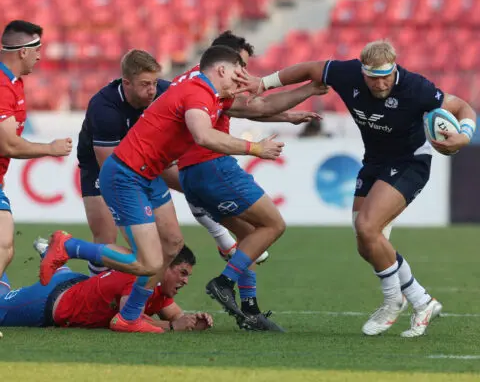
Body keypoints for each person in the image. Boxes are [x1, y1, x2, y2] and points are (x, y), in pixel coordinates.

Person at [235, 39, 477, 337]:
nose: (380, 84)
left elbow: (461, 106)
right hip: (374, 160)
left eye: (386, 77)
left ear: (395, 69)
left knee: (367, 226)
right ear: (363, 73)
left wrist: (464, 136)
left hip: (410, 161)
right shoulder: (347, 73)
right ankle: (421, 300)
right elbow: (311, 68)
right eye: (373, 78)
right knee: (366, 242)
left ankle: (393, 301)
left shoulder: (415, 87)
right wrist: (265, 82)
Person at [39, 45, 286, 333]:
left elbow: (253, 107)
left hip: (148, 172)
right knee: (147, 261)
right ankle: (69, 247)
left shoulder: (188, 88)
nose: (242, 80)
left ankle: (128, 317)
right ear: (220, 69)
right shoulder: (191, 92)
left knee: (172, 244)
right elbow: (203, 136)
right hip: (124, 174)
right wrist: (255, 148)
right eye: (237, 72)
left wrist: (292, 111)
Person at [176, 32, 327, 331]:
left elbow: (247, 107)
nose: (245, 74)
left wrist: (287, 117)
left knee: (250, 242)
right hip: (212, 166)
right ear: (223, 62)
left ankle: (250, 312)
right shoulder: (206, 85)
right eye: (241, 65)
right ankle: (223, 282)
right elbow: (256, 107)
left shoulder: (191, 81)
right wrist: (310, 88)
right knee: (273, 225)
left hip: (190, 173)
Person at [76, 49, 239, 276]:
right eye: (145, 84)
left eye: (154, 82)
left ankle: (221, 236)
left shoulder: (165, 91)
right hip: (103, 167)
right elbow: (109, 167)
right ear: (127, 83)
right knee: (106, 237)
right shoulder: (104, 107)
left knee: (181, 218)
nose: (152, 90)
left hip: (146, 160)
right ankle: (95, 296)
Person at [0, 20, 72, 284]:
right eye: (38, 49)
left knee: (4, 248)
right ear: (23, 51)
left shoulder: (13, 82)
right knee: (4, 244)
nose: (40, 56)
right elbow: (6, 144)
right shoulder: (2, 84)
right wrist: (49, 149)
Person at [0, 243, 211, 332]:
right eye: (182, 273)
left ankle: (53, 258)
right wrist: (174, 327)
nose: (185, 281)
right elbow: (124, 321)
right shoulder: (137, 280)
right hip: (49, 301)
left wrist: (194, 322)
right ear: (165, 267)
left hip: (77, 283)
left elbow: (175, 315)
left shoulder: (156, 285)